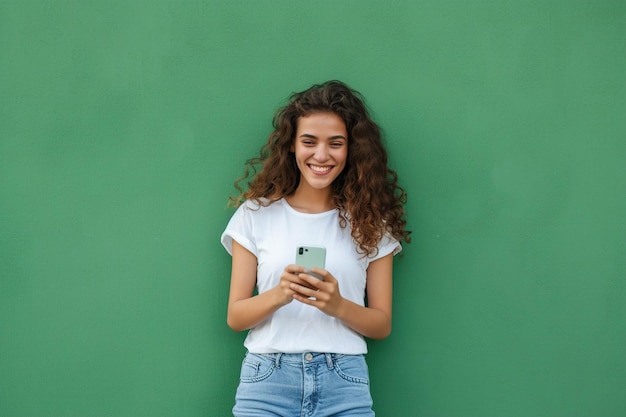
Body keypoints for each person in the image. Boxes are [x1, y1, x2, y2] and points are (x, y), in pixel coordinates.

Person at [221, 80, 410, 416]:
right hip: (267, 379)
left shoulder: (370, 223)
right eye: (309, 141)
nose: (321, 155)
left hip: (343, 382)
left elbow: (381, 324)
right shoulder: (255, 214)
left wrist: (337, 305)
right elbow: (236, 316)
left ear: (351, 149)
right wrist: (280, 293)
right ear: (292, 145)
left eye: (335, 143)